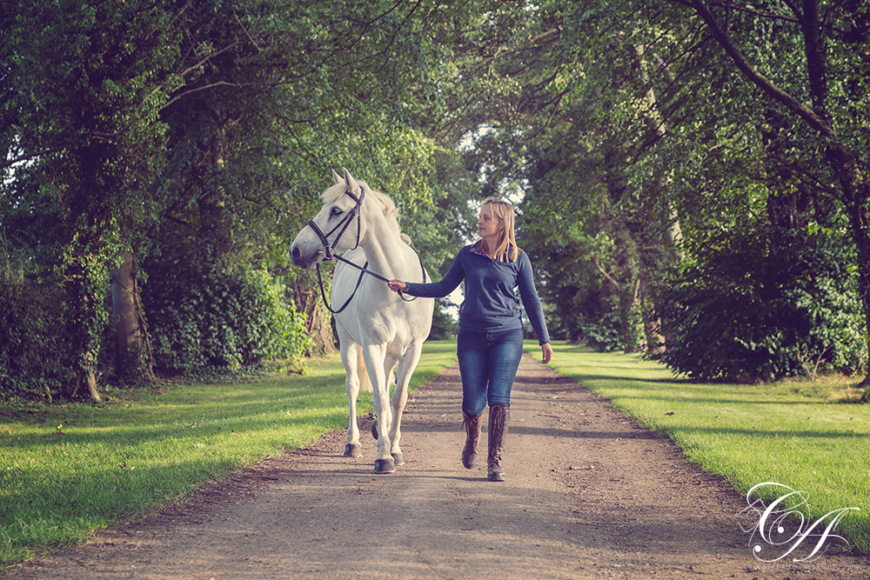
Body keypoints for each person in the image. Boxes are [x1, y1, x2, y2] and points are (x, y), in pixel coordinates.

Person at [387, 197, 553, 482]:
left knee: (499, 399)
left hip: (507, 335)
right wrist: (407, 286)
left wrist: (543, 339)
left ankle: (495, 461)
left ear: (501, 223)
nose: (480, 220)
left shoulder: (517, 258)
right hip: (471, 336)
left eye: (486, 217)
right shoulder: (467, 254)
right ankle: (472, 440)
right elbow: (443, 287)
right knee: (473, 403)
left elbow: (531, 299)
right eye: (480, 216)